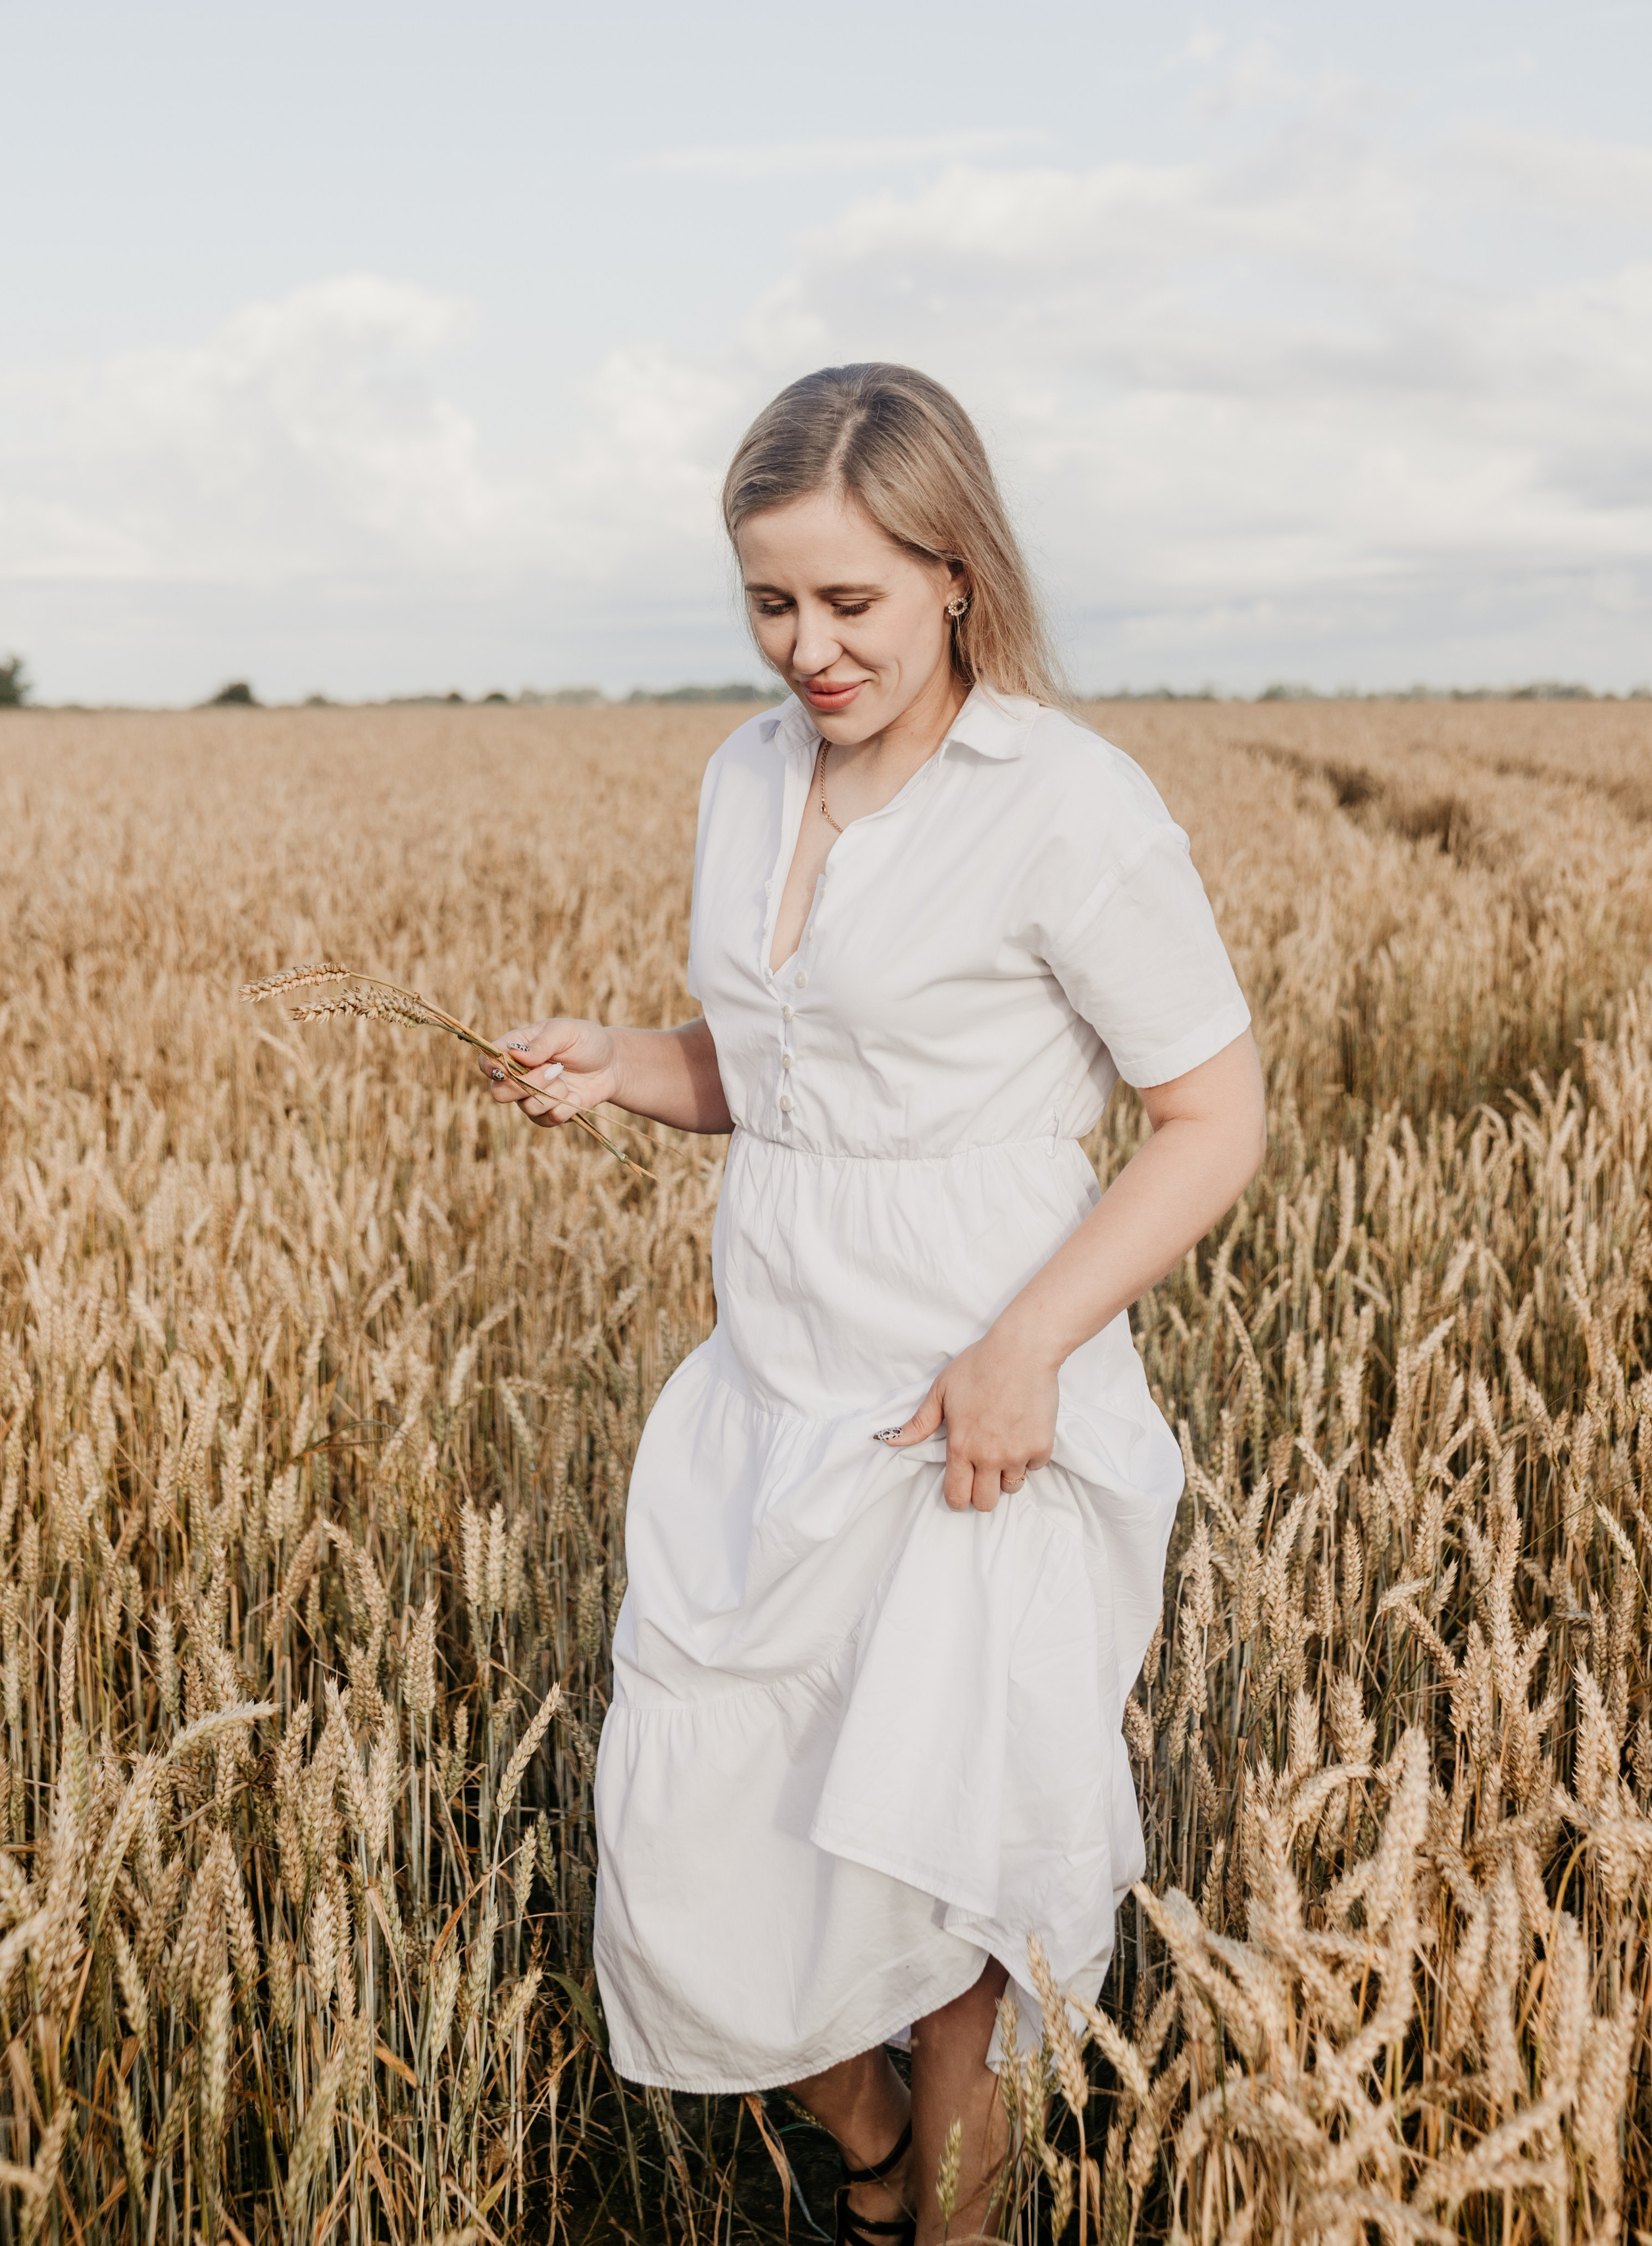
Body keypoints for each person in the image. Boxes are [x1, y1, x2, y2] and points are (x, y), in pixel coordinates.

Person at [481, 363, 1264, 2242]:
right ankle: (874, 2155)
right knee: (681, 1850)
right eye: (773, 602)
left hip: (974, 1413)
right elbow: (779, 1074)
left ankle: (957, 2205)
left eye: (853, 602)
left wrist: (1025, 1354)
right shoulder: (744, 780)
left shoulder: (1066, 804)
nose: (809, 648)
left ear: (956, 578)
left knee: (946, 1924)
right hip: (768, 1395)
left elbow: (1210, 1116)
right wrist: (627, 1066)